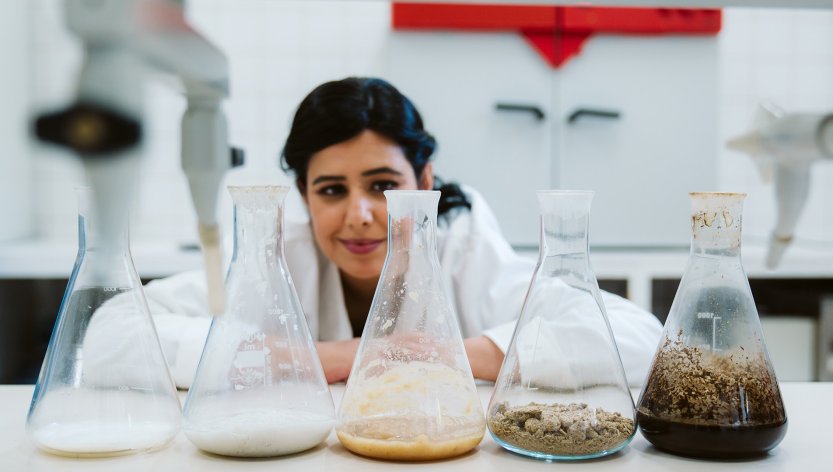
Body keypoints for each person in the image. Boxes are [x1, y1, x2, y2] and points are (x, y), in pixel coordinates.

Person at [92, 77, 662, 389]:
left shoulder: (461, 246)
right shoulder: (279, 251)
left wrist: (439, 354)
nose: (360, 215)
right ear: (303, 195)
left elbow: (637, 339)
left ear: (426, 181)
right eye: (331, 190)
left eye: (384, 185)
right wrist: (325, 357)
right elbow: (108, 337)